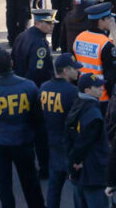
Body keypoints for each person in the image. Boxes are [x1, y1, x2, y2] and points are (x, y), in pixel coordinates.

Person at [0, 49, 46, 208]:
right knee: (31, 184)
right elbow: (37, 118)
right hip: (23, 141)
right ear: (12, 63)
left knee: (3, 185)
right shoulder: (29, 86)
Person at [40, 54, 82, 208]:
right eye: (75, 68)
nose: (78, 71)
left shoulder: (44, 88)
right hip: (69, 146)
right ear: (66, 70)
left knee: (54, 187)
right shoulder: (72, 92)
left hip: (52, 143)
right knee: (78, 188)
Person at [66, 73, 111, 208]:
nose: (101, 88)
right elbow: (85, 142)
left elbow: (69, 135)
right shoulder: (93, 114)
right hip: (93, 173)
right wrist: (77, 160)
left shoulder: (77, 105)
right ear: (87, 90)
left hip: (79, 172)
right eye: (97, 86)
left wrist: (73, 161)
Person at [73, 2, 116, 101]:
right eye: (108, 19)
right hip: (101, 96)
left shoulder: (79, 38)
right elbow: (111, 76)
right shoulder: (106, 44)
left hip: (83, 93)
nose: (112, 21)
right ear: (100, 21)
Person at [12, 7, 55, 86]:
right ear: (37, 24)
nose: (52, 26)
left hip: (19, 82)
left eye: (53, 23)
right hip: (33, 86)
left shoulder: (22, 35)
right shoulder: (39, 43)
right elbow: (37, 72)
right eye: (48, 23)